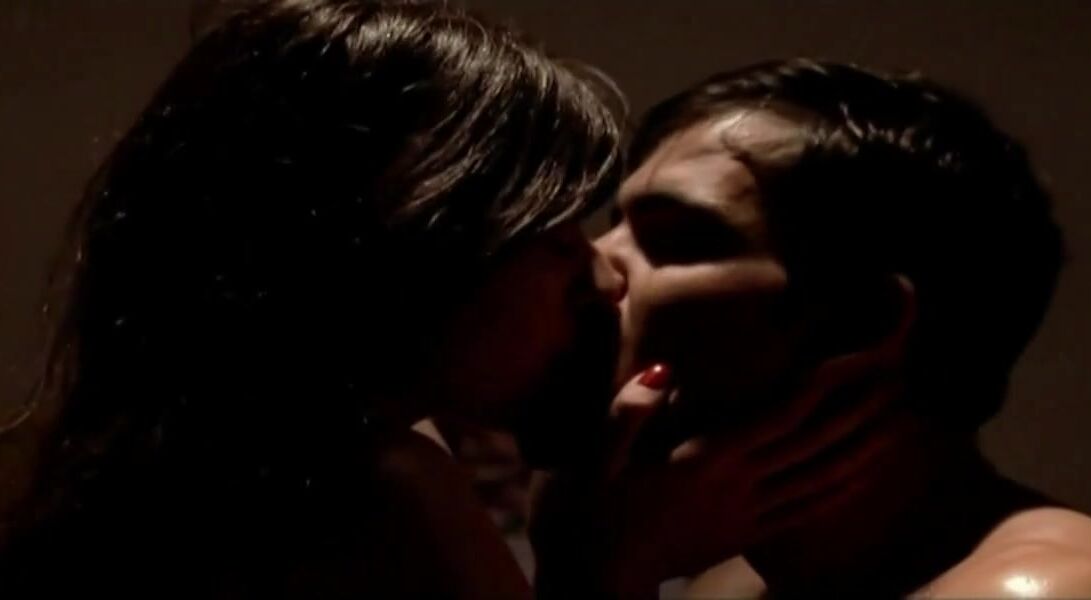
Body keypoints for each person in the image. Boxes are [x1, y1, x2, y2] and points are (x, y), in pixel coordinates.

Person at [0, 2, 840, 596]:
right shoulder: (380, 492)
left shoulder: (132, 472)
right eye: (552, 237)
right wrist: (609, 569)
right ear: (409, 244)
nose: (605, 274)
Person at [590, 58, 1091, 597]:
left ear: (861, 321)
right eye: (613, 226)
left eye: (677, 238)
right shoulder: (733, 583)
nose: (594, 265)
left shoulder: (1051, 590)